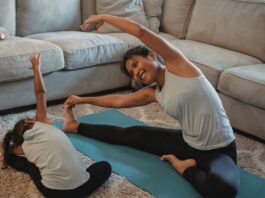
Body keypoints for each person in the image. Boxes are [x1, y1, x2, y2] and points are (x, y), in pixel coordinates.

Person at [64, 15, 240, 198]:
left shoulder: (178, 66)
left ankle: (183, 167)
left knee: (225, 191)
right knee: (134, 134)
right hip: (188, 144)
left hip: (220, 149)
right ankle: (75, 126)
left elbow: (141, 31)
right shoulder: (153, 92)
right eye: (132, 73)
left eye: (136, 64)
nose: (136, 73)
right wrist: (81, 100)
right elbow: (117, 101)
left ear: (152, 55)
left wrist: (103, 17)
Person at [1, 54, 111, 198]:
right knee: (105, 166)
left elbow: (10, 150)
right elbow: (41, 93)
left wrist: (7, 148)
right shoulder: (44, 124)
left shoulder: (23, 148)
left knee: (29, 165)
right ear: (30, 122)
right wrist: (36, 68)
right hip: (82, 188)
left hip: (55, 194)